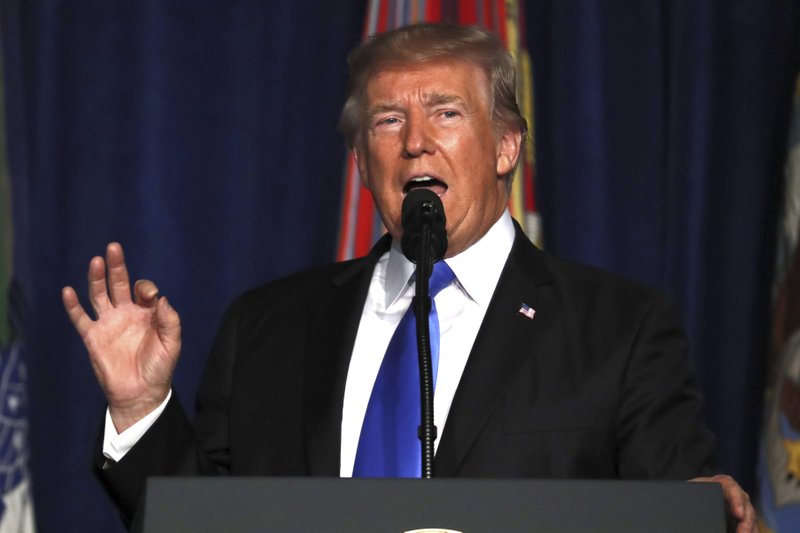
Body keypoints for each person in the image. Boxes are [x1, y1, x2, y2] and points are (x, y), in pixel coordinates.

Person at [62, 22, 756, 531]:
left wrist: (709, 516)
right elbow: (201, 520)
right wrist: (140, 409)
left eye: (446, 112)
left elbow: (676, 508)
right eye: (389, 119)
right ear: (364, 160)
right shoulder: (266, 327)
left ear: (507, 145)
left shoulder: (621, 329)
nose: (415, 139)